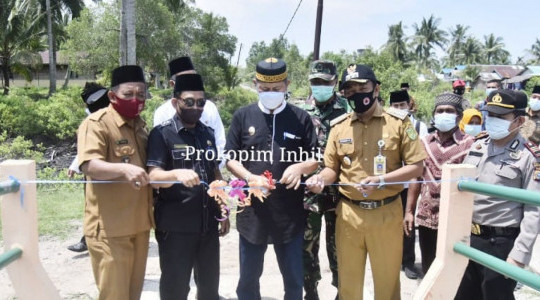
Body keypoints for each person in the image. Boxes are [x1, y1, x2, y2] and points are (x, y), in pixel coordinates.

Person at [305, 64, 426, 300]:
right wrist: (320, 179)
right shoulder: (339, 127)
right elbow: (331, 169)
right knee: (349, 286)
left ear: (376, 89)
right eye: (349, 90)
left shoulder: (398, 123)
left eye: (362, 87)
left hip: (387, 213)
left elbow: (416, 167)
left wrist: (381, 180)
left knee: (387, 285)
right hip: (349, 214)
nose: (356, 94)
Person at [225, 57, 318, 300]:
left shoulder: (301, 118)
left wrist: (300, 167)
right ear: (255, 84)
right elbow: (230, 158)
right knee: (247, 280)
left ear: (287, 85)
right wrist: (249, 177)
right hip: (252, 212)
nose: (270, 93)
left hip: (289, 214)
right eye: (264, 89)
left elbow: (315, 159)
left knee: (294, 281)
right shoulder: (242, 116)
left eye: (276, 89)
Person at [147, 73, 229, 300]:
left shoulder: (207, 134)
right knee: (176, 289)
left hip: (207, 224)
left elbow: (214, 173)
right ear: (175, 102)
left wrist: (223, 208)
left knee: (210, 289)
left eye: (201, 103)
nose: (196, 107)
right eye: (189, 102)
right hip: (176, 227)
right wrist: (175, 174)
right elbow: (153, 177)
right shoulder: (162, 134)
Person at [77, 65, 154, 300]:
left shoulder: (140, 126)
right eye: (128, 94)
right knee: (114, 297)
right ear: (112, 96)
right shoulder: (96, 124)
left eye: (141, 94)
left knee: (133, 295)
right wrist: (123, 169)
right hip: (110, 230)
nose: (136, 99)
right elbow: (89, 165)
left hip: (139, 227)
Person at [455, 89, 540, 299]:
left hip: (502, 244)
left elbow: (534, 211)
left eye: (500, 117)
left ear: (519, 120)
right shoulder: (478, 145)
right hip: (470, 238)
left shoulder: (529, 156)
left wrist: (519, 255)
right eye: (490, 115)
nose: (492, 120)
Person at [404, 93, 474, 275]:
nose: (444, 114)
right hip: (426, 218)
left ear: (458, 116)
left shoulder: (469, 144)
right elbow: (415, 178)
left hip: (454, 220)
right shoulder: (424, 143)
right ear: (434, 115)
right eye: (440, 111)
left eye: (449, 111)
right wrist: (409, 211)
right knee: (429, 267)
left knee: (454, 271)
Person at [300, 60, 350, 300]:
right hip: (308, 193)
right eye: (315, 82)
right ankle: (310, 290)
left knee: (340, 246)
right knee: (307, 245)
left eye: (325, 82)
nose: (320, 86)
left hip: (339, 192)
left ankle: (342, 290)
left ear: (335, 83)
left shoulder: (348, 111)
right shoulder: (299, 112)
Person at [153, 56, 226, 167]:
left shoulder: (210, 107)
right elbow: (159, 154)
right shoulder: (162, 113)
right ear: (172, 84)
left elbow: (220, 142)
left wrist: (214, 169)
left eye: (193, 77)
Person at [388, 89, 429, 280]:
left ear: (409, 106)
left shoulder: (419, 126)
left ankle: (408, 262)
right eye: (395, 106)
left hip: (410, 185)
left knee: (408, 222)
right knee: (389, 225)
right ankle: (392, 259)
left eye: (401, 106)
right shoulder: (385, 125)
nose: (398, 109)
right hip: (389, 184)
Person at [67, 82, 110, 253]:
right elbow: (87, 147)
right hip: (94, 172)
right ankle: (87, 238)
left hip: (113, 172)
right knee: (92, 206)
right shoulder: (92, 120)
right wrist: (76, 164)